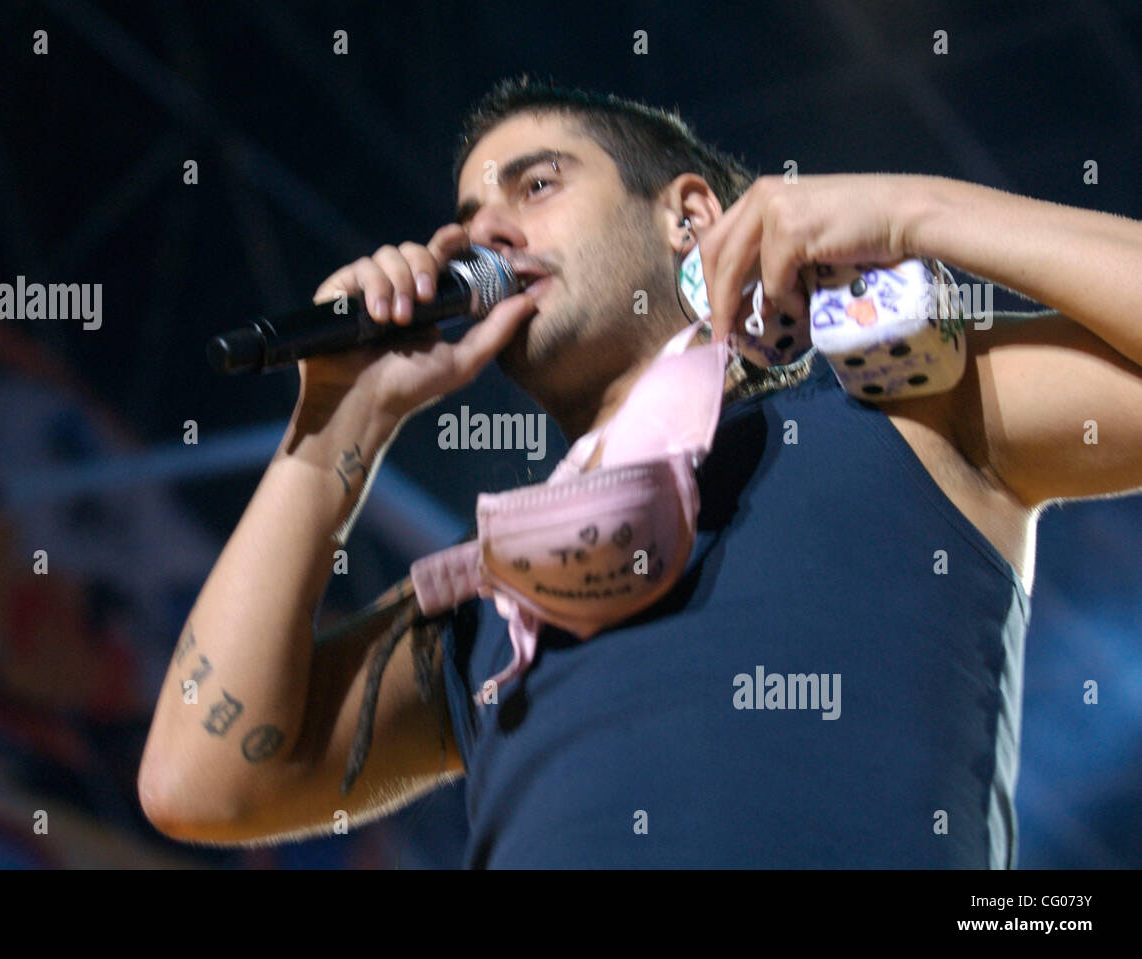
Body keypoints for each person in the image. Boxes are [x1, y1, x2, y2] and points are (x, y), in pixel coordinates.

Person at [137, 76, 1142, 867]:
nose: (481, 232)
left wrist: (907, 209)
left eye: (535, 185)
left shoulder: (897, 407)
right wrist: (338, 418)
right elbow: (200, 779)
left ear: (688, 214)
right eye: (469, 211)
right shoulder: (494, 593)